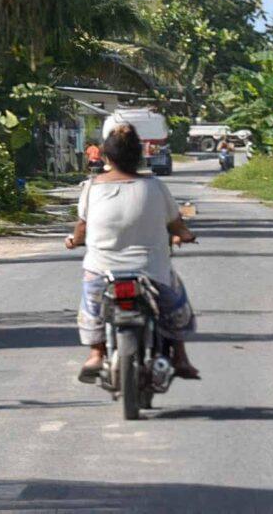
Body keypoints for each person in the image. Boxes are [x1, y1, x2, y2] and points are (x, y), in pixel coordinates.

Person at [65, 124, 200, 382]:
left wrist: (74, 241)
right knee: (175, 303)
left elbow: (82, 227)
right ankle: (181, 356)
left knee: (91, 305)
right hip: (152, 269)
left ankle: (95, 354)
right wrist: (185, 235)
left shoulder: (92, 187)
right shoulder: (154, 186)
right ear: (139, 155)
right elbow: (176, 223)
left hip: (101, 270)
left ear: (106, 156)